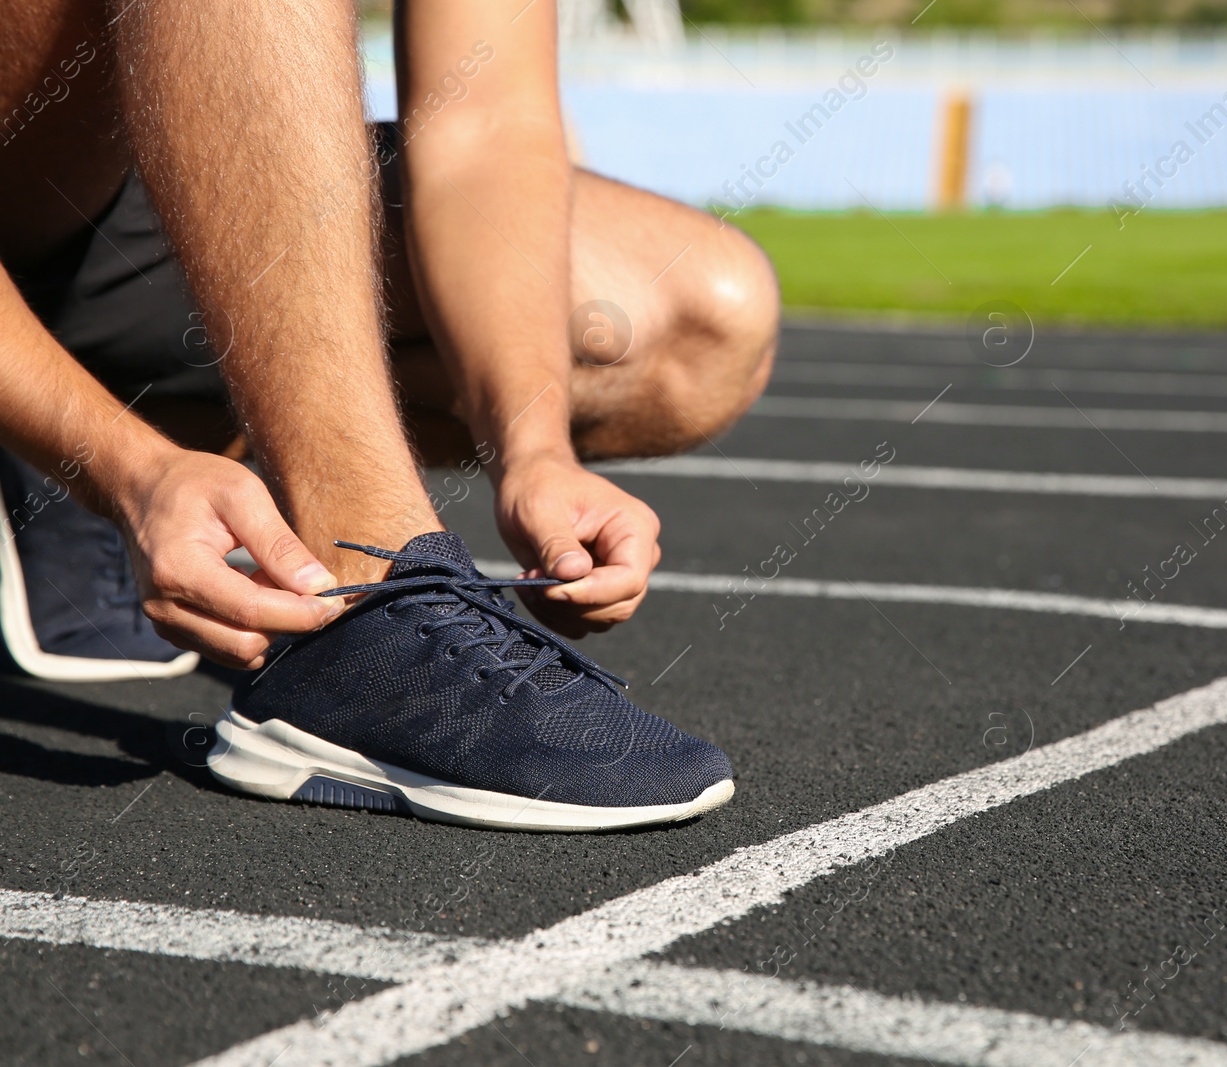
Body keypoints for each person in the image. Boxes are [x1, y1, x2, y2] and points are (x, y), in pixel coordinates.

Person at [0, 0, 778, 830]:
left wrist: (531, 444)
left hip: (167, 199)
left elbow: (486, 125)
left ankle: (145, 432)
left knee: (700, 320)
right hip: (32, 179)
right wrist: (122, 469)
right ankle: (361, 582)